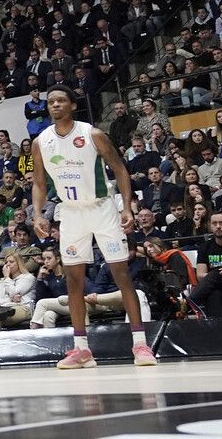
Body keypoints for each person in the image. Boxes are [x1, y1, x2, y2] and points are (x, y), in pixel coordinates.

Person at [30, 88, 153, 369]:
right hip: (71, 212)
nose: (55, 105)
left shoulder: (92, 134)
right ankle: (82, 349)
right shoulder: (41, 141)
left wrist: (126, 207)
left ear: (73, 105)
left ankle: (140, 344)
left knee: (122, 275)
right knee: (73, 281)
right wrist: (37, 214)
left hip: (102, 208)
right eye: (51, 102)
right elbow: (38, 182)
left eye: (61, 100)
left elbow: (119, 169)